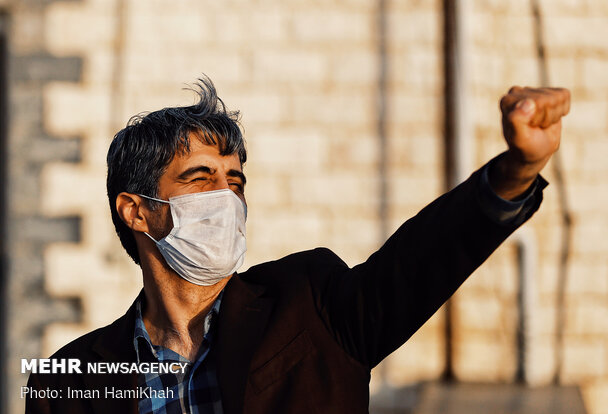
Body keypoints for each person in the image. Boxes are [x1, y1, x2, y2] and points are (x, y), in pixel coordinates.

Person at [26, 78, 570, 414]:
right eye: (200, 178)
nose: (226, 197)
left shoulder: (310, 305)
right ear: (137, 210)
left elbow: (418, 263)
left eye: (234, 181)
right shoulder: (73, 380)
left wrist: (516, 170)